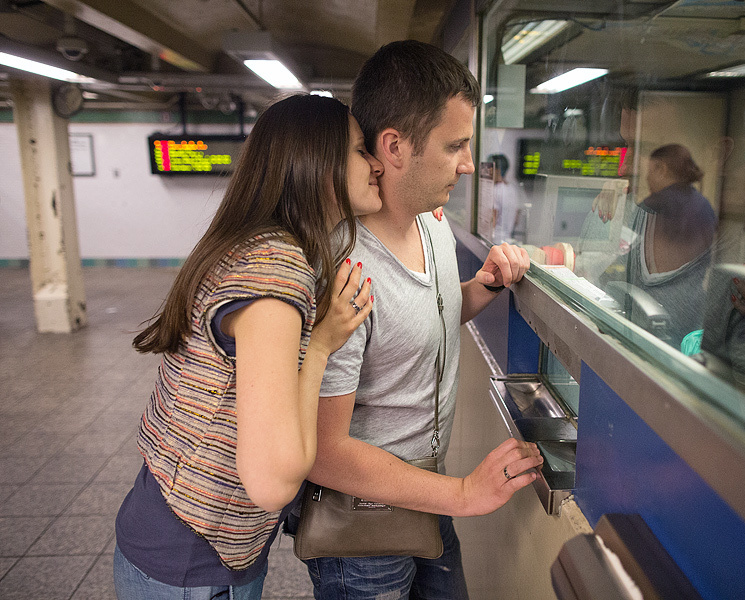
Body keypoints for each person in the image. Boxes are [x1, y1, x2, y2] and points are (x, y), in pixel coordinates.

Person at [113, 94, 384, 599]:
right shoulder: (275, 271)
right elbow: (273, 483)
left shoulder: (254, 244)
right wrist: (321, 346)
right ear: (315, 163)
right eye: (359, 150)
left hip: (179, 536)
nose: (376, 164)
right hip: (190, 562)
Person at [298, 40, 543, 599]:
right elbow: (325, 452)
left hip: (425, 496)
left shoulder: (433, 223)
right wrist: (464, 494)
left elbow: (425, 320)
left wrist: (484, 286)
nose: (468, 163)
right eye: (455, 145)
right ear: (394, 146)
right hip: (364, 531)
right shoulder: (345, 269)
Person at [622, 143, 718, 348]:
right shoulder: (704, 206)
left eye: (649, 172)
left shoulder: (652, 206)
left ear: (661, 169)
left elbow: (627, 253)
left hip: (654, 320)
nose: (647, 179)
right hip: (692, 317)